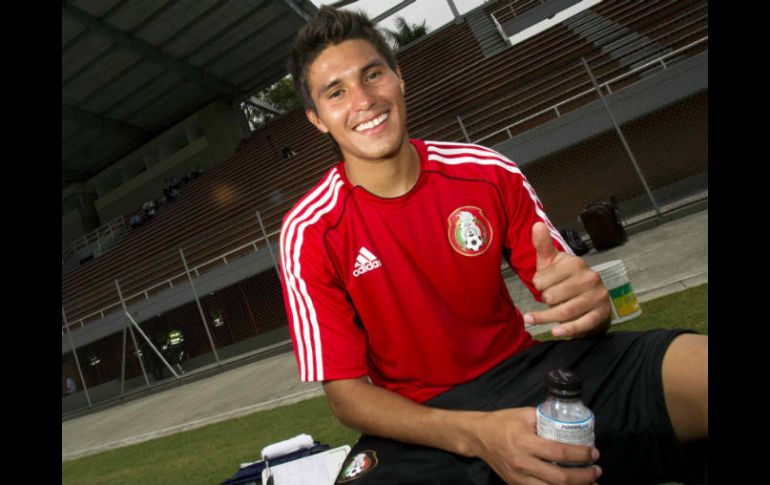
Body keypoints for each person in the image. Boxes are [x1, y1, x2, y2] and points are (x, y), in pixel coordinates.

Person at [279, 7, 707, 485]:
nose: (362, 101)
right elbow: (348, 397)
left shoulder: (486, 171)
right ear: (318, 119)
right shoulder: (309, 230)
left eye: (372, 75)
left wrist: (588, 307)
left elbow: (572, 301)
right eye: (336, 92)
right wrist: (479, 434)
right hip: (420, 423)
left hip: (527, 372)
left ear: (399, 80)